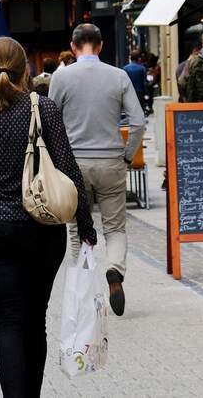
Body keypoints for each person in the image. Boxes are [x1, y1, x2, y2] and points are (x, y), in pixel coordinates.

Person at [0, 37, 95, 398]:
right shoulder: (45, 108)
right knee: (35, 320)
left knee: (8, 323)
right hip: (42, 230)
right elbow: (69, 168)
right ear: (25, 69)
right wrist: (84, 226)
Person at [50, 24, 145, 317]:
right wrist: (127, 156)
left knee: (78, 230)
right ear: (101, 46)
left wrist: (57, 161)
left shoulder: (62, 77)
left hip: (74, 165)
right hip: (111, 162)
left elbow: (50, 119)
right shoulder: (118, 77)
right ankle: (114, 270)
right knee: (114, 227)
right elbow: (138, 121)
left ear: (73, 46)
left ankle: (82, 292)